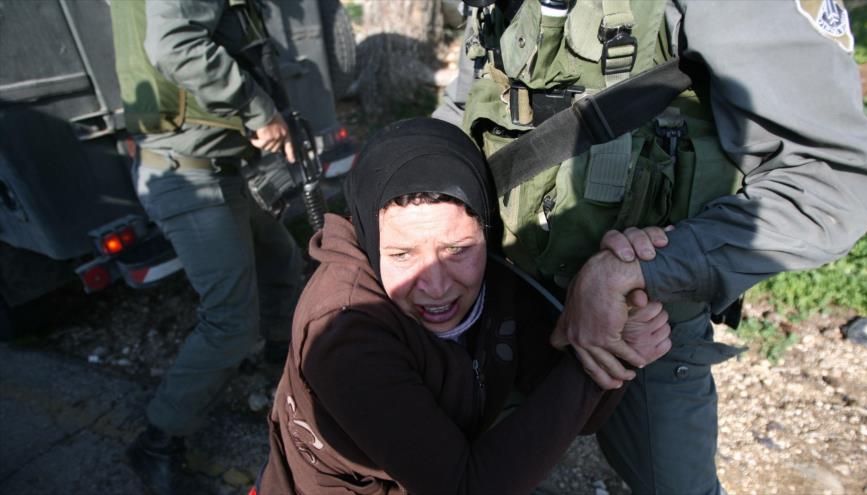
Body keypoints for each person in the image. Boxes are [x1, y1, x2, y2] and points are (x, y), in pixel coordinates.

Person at [434, 1, 867, 493]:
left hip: (645, 324)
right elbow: (471, 101)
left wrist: (641, 271)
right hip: (498, 291)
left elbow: (833, 182)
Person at [257, 117, 672, 494]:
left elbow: (579, 417)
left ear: (485, 232)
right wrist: (589, 366)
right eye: (402, 254)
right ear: (369, 239)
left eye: (456, 249)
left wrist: (614, 338)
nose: (435, 287)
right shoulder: (345, 332)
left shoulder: (498, 277)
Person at [109, 0, 304, 491]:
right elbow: (173, 42)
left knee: (281, 261)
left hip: (221, 167)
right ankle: (157, 442)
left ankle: (284, 375)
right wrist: (259, 111)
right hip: (187, 174)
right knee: (230, 325)